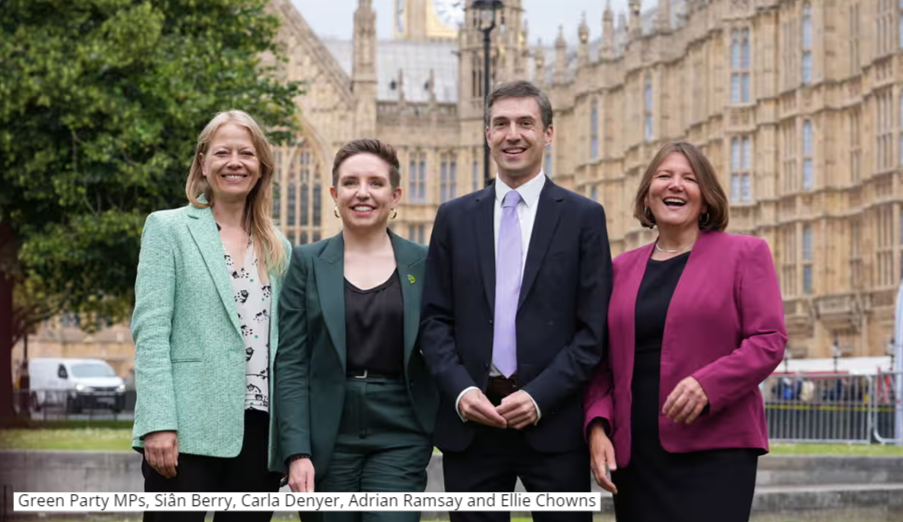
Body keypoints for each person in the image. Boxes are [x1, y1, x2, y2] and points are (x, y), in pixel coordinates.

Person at [420, 80, 612, 522]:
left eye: (526, 123)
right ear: (487, 134)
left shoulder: (584, 217)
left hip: (554, 425)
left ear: (548, 133)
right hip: (474, 425)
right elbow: (434, 321)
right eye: (501, 124)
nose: (513, 134)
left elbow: (592, 331)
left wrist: (539, 396)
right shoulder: (454, 217)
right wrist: (462, 390)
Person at [583, 142, 787, 522]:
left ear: (706, 199)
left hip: (715, 449)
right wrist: (597, 426)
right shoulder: (619, 269)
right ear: (647, 195)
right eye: (664, 176)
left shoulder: (745, 254)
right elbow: (600, 363)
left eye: (689, 178)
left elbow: (769, 340)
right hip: (636, 455)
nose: (675, 185)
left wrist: (708, 384)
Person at [131, 110, 291, 522]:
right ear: (203, 163)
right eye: (222, 152)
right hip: (186, 429)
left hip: (261, 432)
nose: (234, 162)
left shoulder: (279, 249)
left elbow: (287, 350)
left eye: (246, 153)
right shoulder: (168, 229)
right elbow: (151, 334)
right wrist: (158, 423)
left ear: (261, 168)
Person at [275, 138, 438, 522]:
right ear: (334, 193)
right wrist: (296, 451)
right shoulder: (305, 262)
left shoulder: (424, 263)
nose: (362, 193)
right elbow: (292, 362)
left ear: (395, 195)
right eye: (350, 183)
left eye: (375, 183)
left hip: (401, 429)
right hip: (325, 431)